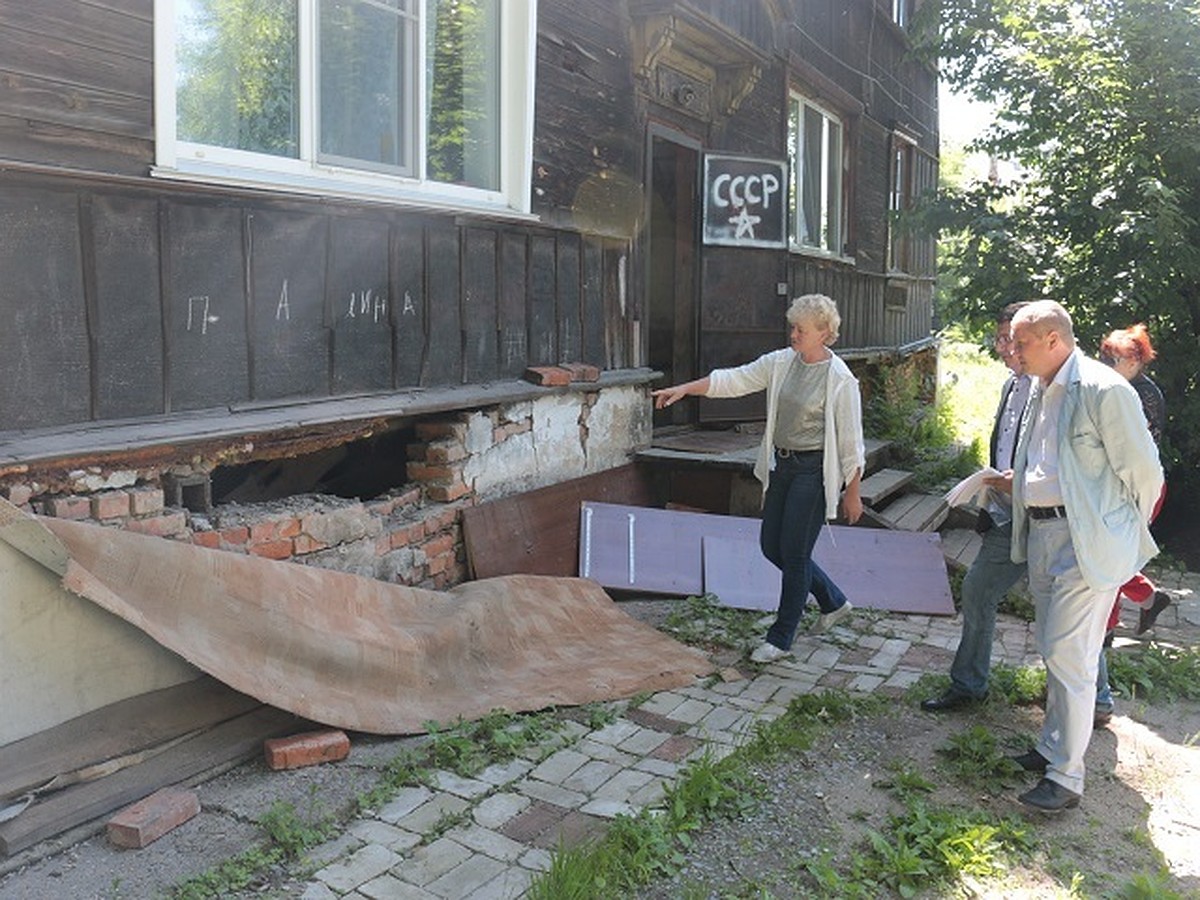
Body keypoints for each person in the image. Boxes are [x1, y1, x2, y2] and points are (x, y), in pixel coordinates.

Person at [1003, 301, 1163, 812]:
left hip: (1085, 539)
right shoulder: (1038, 386)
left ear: (1053, 339)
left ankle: (1067, 779)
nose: (1013, 351)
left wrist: (1118, 529)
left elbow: (1145, 473)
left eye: (1021, 342)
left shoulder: (1103, 389)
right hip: (1045, 536)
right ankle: (1052, 747)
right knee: (1056, 650)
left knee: (1069, 656)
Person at [651, 294, 865, 663]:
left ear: (825, 333)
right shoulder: (782, 362)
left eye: (801, 329)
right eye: (793, 326)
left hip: (813, 473)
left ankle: (780, 639)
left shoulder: (840, 380)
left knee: (795, 556)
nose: (793, 334)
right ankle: (832, 600)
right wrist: (685, 388)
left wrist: (853, 492)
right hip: (782, 466)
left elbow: (851, 441)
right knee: (772, 547)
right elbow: (734, 380)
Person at [921, 302, 1032, 711]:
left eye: (1009, 340)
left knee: (1063, 612)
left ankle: (1098, 699)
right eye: (999, 338)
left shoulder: (1053, 389)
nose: (1001, 348)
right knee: (977, 590)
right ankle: (969, 685)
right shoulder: (1010, 385)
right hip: (1006, 513)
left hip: (1049, 518)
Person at [1099, 324, 1172, 635]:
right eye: (1103, 359)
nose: (1105, 367)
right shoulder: (1119, 388)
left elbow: (1135, 456)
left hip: (1142, 486)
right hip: (1123, 483)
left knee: (1111, 554)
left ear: (1133, 361)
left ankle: (1107, 628)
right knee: (1109, 552)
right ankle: (1146, 598)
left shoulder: (1143, 395)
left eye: (1111, 360)